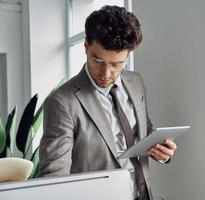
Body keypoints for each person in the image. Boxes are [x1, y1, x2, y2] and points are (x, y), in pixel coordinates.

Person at [39, 5, 177, 200]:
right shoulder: (61, 102)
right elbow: (54, 181)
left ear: (128, 54)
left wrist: (162, 153)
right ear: (86, 46)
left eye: (116, 64)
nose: (106, 73)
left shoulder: (136, 82)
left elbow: (146, 132)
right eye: (97, 60)